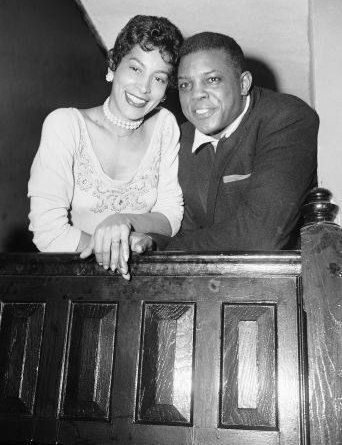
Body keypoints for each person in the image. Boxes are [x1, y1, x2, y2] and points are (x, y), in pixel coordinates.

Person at [130, 31, 319, 254]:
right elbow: (187, 229)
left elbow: (260, 237)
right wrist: (151, 241)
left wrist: (163, 250)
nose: (196, 94)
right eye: (185, 85)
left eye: (212, 80)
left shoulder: (286, 117)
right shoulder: (179, 138)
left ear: (243, 83)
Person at [28, 15, 184, 278]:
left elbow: (171, 216)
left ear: (165, 90)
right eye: (135, 69)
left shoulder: (165, 125)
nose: (144, 88)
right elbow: (47, 232)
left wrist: (125, 220)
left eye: (158, 78)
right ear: (113, 65)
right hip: (70, 282)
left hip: (143, 285)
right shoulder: (65, 125)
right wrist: (120, 252)